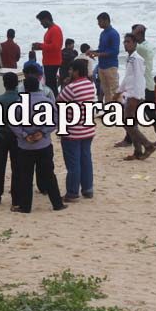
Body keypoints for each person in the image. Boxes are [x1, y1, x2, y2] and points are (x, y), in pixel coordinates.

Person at [9, 77, 65, 214]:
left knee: (25, 177)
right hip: (43, 145)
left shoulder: (19, 103)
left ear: (25, 88)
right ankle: (57, 204)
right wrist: (43, 132)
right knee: (49, 175)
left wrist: (24, 135)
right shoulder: (47, 102)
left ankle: (25, 206)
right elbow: (56, 120)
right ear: (39, 87)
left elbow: (13, 123)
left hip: (25, 146)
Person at [113, 33, 156, 160]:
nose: (126, 44)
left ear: (134, 43)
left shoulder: (136, 59)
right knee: (132, 124)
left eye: (128, 42)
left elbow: (139, 78)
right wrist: (119, 91)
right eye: (125, 42)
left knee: (128, 124)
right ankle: (138, 151)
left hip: (134, 95)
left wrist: (136, 96)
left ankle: (148, 146)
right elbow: (128, 78)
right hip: (130, 94)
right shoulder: (131, 58)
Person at [59, 59, 96, 203]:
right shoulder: (90, 84)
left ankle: (72, 192)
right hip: (87, 129)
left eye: (71, 70)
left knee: (73, 163)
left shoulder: (72, 87)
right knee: (86, 159)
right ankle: (87, 189)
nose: (69, 72)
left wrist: (66, 84)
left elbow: (59, 101)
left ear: (76, 71)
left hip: (73, 130)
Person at [0, 72, 21, 206]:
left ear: (4, 84)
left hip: (1, 136)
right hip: (17, 137)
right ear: (17, 83)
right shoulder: (21, 99)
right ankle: (16, 198)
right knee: (17, 167)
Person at [89, 12, 121, 105]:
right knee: (106, 91)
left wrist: (98, 54)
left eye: (100, 21)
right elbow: (101, 50)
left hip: (111, 66)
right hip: (101, 66)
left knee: (114, 90)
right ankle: (109, 111)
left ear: (106, 20)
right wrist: (92, 52)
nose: (98, 23)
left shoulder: (113, 33)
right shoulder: (103, 33)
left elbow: (115, 51)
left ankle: (118, 110)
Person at [31, 11, 64, 94]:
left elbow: (56, 47)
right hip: (49, 62)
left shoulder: (55, 29)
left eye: (41, 21)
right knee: (50, 84)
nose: (41, 24)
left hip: (53, 62)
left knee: (51, 85)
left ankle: (54, 103)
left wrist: (41, 46)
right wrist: (39, 46)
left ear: (46, 19)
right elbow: (49, 46)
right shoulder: (50, 30)